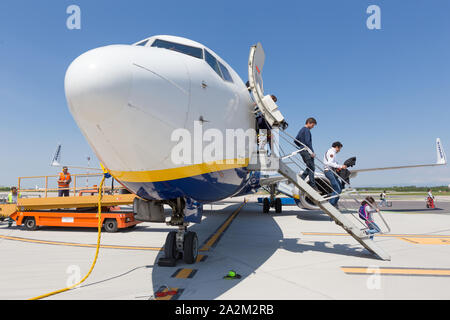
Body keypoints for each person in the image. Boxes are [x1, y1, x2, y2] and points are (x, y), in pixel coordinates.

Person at [295, 117, 317, 189]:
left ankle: (301, 180)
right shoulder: (307, 130)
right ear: (309, 123)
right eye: (313, 125)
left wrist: (301, 147)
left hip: (302, 151)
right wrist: (311, 152)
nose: (313, 127)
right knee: (312, 168)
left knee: (310, 167)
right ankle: (312, 185)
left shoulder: (301, 130)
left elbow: (295, 140)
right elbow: (308, 142)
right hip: (307, 151)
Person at [323, 141, 347, 208]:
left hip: (332, 172)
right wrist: (340, 166)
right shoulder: (331, 152)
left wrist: (338, 167)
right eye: (339, 149)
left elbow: (333, 163)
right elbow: (329, 163)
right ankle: (331, 205)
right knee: (337, 189)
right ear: (337, 147)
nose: (339, 150)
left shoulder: (331, 151)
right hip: (329, 171)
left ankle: (334, 203)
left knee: (340, 187)